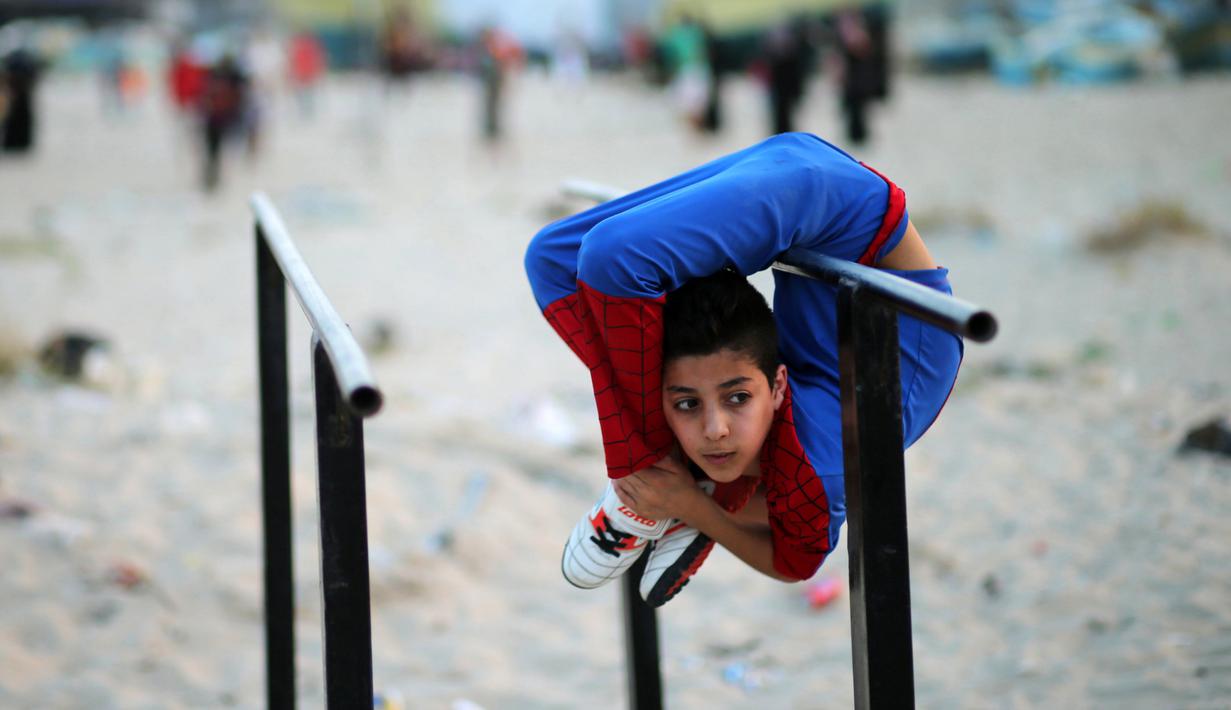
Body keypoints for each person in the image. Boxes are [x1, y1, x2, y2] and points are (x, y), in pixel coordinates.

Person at [523, 132, 963, 607]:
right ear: (779, 387)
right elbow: (796, 562)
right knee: (614, 261)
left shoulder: (795, 445)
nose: (716, 431)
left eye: (735, 399)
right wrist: (690, 501)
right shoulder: (820, 466)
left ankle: (657, 479)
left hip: (810, 180)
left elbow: (791, 559)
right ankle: (654, 471)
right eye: (688, 405)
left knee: (552, 260)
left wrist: (688, 505)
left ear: (775, 386)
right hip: (862, 245)